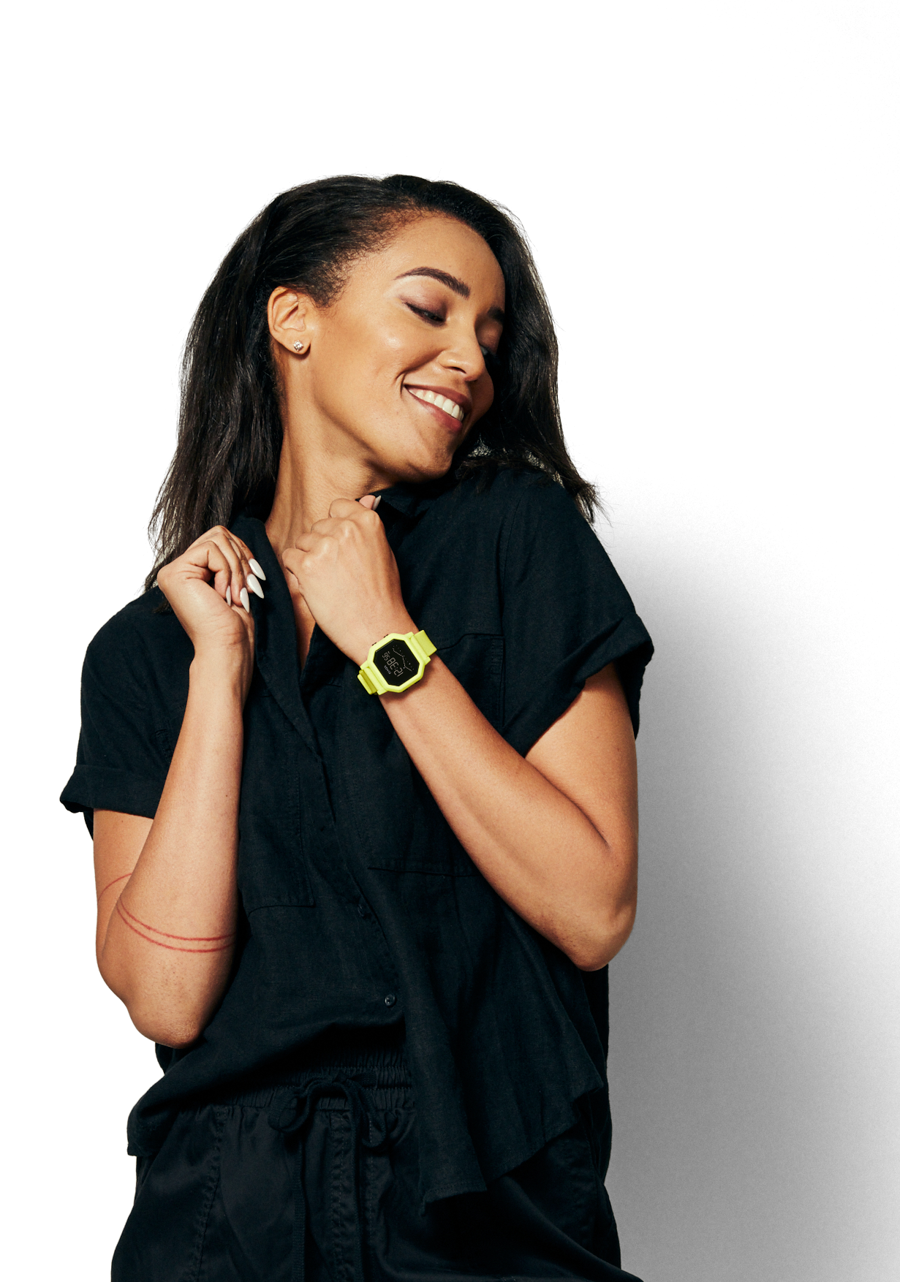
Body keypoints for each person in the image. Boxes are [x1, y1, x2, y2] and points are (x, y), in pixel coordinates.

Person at [61, 174, 653, 1281]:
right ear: (295, 318)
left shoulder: (518, 539)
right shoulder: (150, 646)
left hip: (484, 1197)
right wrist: (218, 671)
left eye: (490, 337)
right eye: (429, 309)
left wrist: (385, 636)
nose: (471, 360)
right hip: (223, 1213)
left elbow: (592, 907)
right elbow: (169, 998)